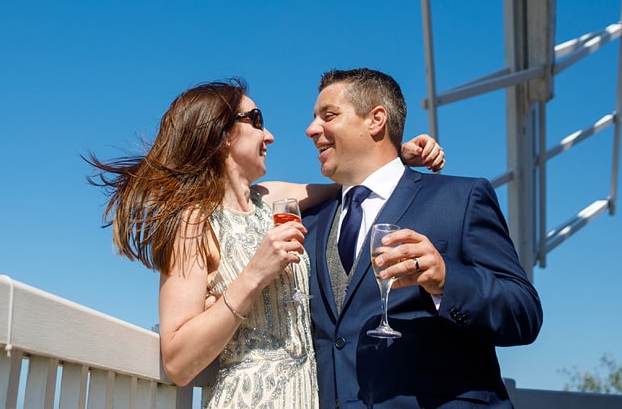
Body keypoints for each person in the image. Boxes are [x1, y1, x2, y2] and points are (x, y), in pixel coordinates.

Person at [85, 79, 444, 409]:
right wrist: (255, 273)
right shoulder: (194, 223)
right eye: (255, 120)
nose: (269, 135)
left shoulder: (270, 200)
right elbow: (177, 361)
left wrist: (396, 157)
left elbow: (351, 182)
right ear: (222, 133)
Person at [301, 68, 542, 409]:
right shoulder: (309, 223)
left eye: (329, 116)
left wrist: (446, 280)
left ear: (376, 120)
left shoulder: (460, 199)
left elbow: (524, 313)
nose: (311, 130)